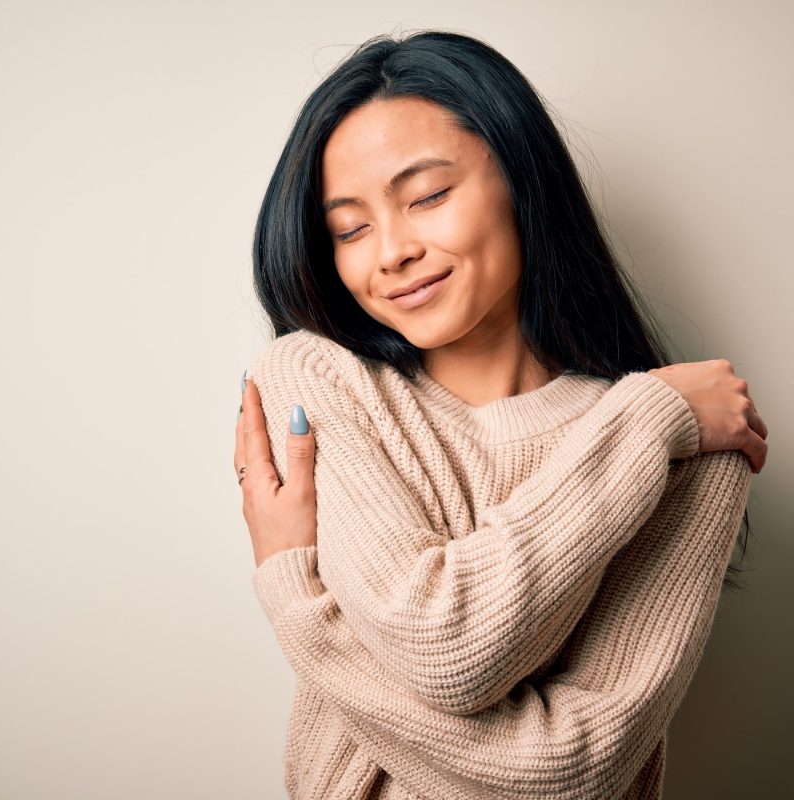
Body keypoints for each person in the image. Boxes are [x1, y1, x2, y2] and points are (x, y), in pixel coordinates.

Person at [233, 30, 768, 799]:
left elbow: (576, 768)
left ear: (523, 181)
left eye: (426, 197)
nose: (389, 252)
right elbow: (443, 644)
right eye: (350, 228)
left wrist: (297, 599)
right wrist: (647, 424)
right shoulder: (316, 378)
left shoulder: (689, 444)